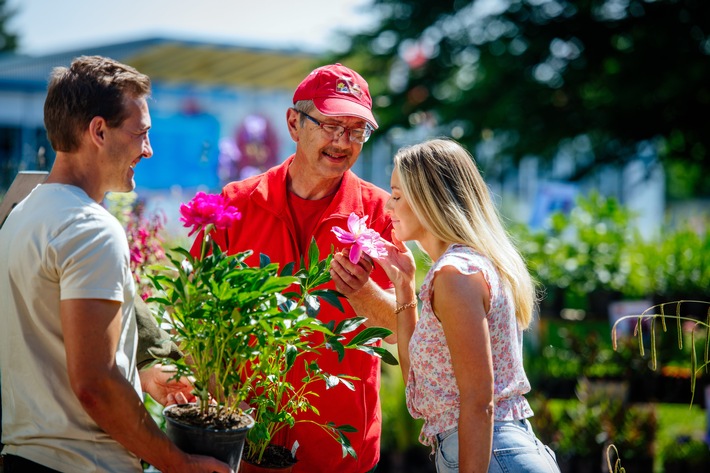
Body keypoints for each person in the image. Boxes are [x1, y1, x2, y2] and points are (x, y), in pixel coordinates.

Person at [0, 55, 231, 473]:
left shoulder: (21, 215)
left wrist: (141, 372)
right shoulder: (90, 228)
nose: (148, 149)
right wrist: (181, 463)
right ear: (99, 131)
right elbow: (95, 385)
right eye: (140, 133)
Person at [201, 63, 397, 473]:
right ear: (293, 122)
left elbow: (403, 328)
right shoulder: (235, 203)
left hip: (338, 452)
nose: (343, 141)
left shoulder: (381, 212)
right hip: (244, 443)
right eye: (330, 125)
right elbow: (201, 319)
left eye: (356, 129)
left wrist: (363, 292)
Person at [374, 138, 561, 473]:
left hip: (491, 454)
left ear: (428, 201)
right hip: (494, 451)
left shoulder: (455, 276)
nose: (388, 205)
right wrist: (403, 289)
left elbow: (478, 402)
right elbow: (422, 384)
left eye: (398, 195)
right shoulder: (466, 266)